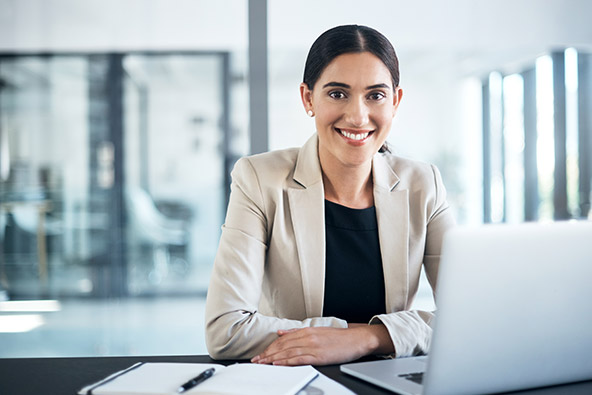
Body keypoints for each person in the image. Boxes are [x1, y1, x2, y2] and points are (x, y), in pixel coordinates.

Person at [205, 24, 455, 366]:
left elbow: (467, 319)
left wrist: (368, 338)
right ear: (309, 98)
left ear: (395, 102)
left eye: (375, 95)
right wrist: (344, 338)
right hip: (293, 382)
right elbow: (226, 329)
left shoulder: (424, 184)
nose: (357, 116)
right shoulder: (260, 179)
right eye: (338, 93)